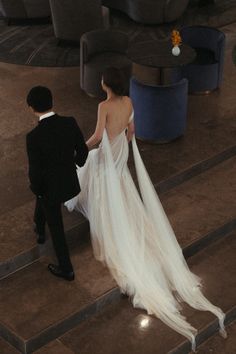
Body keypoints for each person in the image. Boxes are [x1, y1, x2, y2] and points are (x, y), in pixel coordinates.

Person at [65, 67, 226, 350]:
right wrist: (118, 148)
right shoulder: (129, 102)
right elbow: (131, 132)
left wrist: (79, 148)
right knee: (119, 183)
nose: (101, 80)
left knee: (91, 168)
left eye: (103, 78)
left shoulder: (104, 105)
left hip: (108, 151)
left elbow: (96, 135)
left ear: (106, 84)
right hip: (121, 152)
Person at [26, 86, 88, 281]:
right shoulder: (70, 123)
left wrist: (37, 189)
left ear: (32, 108)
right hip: (70, 184)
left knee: (56, 226)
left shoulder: (33, 137)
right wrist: (73, 165)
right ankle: (39, 229)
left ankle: (66, 268)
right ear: (52, 102)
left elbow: (35, 173)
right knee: (42, 197)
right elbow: (83, 152)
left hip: (49, 190)